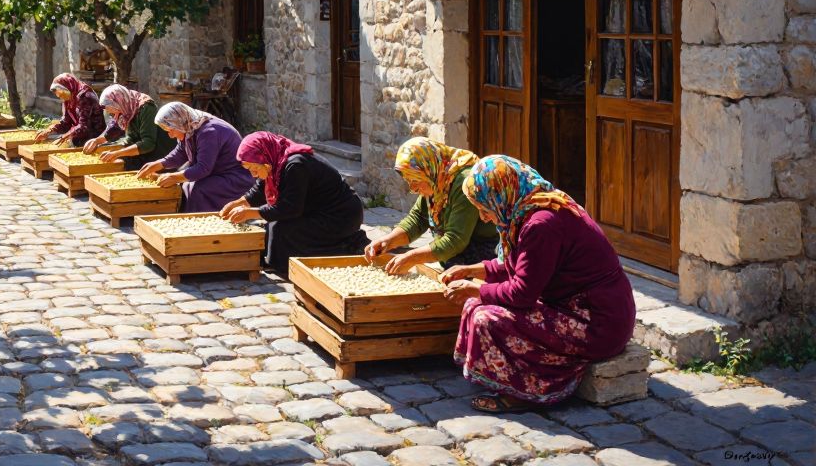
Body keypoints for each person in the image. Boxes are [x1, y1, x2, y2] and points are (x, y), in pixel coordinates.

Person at [441, 155, 636, 412]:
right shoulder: (530, 207)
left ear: (502, 195)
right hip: (572, 307)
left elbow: (522, 293)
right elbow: (524, 265)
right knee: (473, 306)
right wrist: (473, 270)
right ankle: (501, 375)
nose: (484, 217)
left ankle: (526, 391)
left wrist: (477, 287)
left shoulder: (541, 223)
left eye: (484, 208)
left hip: (597, 323)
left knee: (486, 317)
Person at [219, 132, 370, 272]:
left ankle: (349, 245)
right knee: (271, 228)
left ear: (264, 159)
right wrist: (240, 202)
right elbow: (260, 188)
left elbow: (289, 208)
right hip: (315, 209)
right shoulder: (274, 161)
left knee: (282, 231)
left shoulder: (295, 165)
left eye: (254, 168)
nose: (253, 174)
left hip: (340, 216)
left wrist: (252, 213)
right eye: (248, 169)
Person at [365, 137, 499, 272]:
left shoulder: (464, 182)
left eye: (415, 181)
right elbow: (418, 219)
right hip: (456, 255)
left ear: (429, 168)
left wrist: (412, 257)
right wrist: (388, 241)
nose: (413, 189)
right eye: (408, 181)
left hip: (482, 253)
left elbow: (455, 240)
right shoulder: (436, 178)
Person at [137, 102, 253, 215]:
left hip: (235, 177)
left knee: (196, 188)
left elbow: (203, 168)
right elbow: (181, 152)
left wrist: (175, 177)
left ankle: (201, 220)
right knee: (185, 181)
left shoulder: (208, 131)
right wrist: (159, 164)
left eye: (171, 130)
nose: (170, 135)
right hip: (217, 171)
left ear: (179, 123)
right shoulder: (189, 125)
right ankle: (188, 214)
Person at [81, 84, 175, 170]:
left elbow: (148, 144)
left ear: (119, 103)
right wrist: (97, 141)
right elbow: (114, 128)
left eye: (115, 111)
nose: (115, 115)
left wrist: (118, 153)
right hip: (140, 150)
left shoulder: (146, 108)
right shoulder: (124, 105)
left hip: (159, 152)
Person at [37, 73, 107, 147]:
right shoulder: (68, 97)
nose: (61, 98)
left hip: (95, 138)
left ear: (68, 87)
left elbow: (84, 126)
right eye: (59, 96)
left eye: (62, 94)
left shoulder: (85, 96)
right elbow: (65, 122)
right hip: (80, 137)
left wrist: (65, 136)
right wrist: (49, 130)